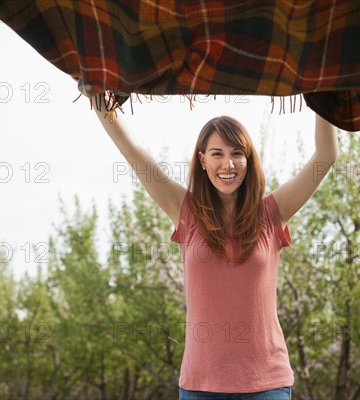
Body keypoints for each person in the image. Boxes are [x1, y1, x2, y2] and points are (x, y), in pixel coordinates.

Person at [94, 98, 339, 400]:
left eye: (237, 153)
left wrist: (321, 88)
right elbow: (133, 152)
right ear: (202, 160)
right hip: (200, 386)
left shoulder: (273, 213)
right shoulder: (185, 211)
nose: (228, 164)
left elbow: (326, 156)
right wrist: (99, 101)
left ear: (249, 160)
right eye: (217, 154)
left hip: (265, 384)